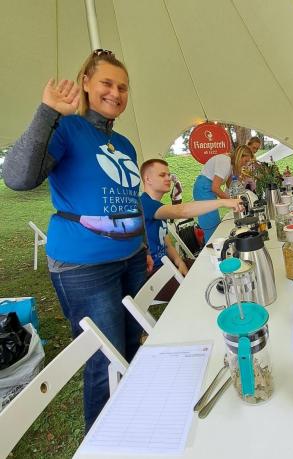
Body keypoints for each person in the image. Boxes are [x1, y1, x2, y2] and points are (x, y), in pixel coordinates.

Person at [3, 49, 148, 431]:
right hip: (85, 268)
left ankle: (134, 423)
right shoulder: (65, 128)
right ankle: (104, 441)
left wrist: (143, 247)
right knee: (104, 359)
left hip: (132, 259)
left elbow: (131, 198)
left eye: (123, 87)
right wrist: (47, 113)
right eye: (107, 83)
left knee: (132, 345)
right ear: (85, 82)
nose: (116, 93)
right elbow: (18, 177)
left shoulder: (125, 144)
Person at [140, 159, 241, 299]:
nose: (168, 178)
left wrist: (179, 261)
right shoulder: (145, 203)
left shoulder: (157, 205)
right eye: (162, 175)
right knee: (207, 286)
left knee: (212, 268)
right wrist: (223, 202)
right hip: (155, 275)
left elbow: (166, 241)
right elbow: (182, 211)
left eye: (169, 175)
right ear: (148, 179)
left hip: (169, 266)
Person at [193, 145, 253, 241]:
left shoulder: (230, 164)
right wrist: (231, 202)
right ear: (240, 156)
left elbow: (230, 185)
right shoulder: (225, 161)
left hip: (208, 188)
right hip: (203, 189)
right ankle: (211, 245)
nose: (245, 164)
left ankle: (214, 243)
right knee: (210, 222)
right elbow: (215, 188)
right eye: (245, 161)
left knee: (214, 220)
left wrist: (238, 196)